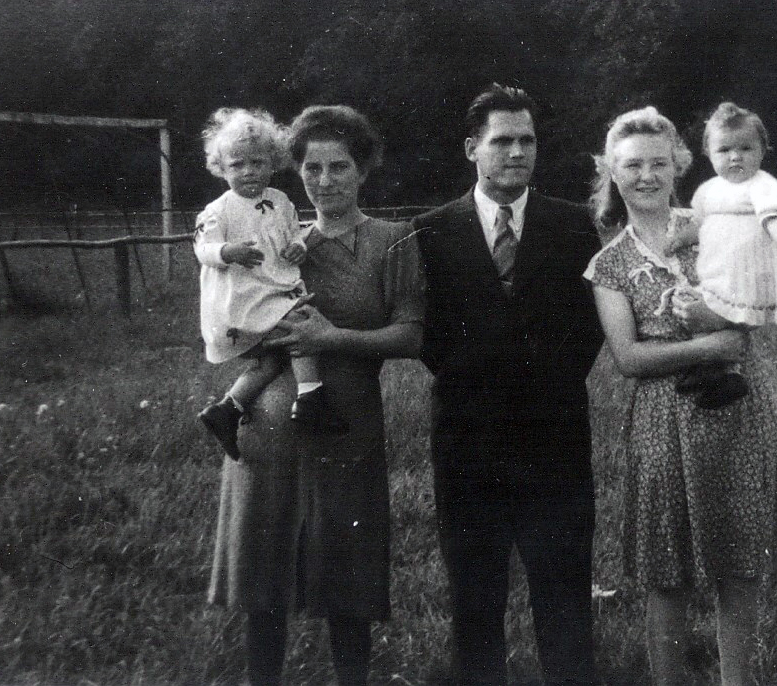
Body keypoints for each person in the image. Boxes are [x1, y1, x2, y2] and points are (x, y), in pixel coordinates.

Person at [207, 104, 424, 686]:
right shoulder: (279, 243)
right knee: (263, 584)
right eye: (312, 168)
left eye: (339, 167)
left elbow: (411, 333)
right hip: (265, 430)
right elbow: (237, 318)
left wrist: (334, 337)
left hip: (346, 425)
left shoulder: (391, 240)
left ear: (363, 169)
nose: (324, 181)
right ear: (295, 172)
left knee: (346, 580)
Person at [584, 106, 777, 685]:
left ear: (681, 162)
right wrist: (712, 345)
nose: (647, 176)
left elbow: (762, 297)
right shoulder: (610, 264)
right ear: (612, 171)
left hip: (738, 410)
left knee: (740, 561)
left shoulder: (720, 221)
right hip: (663, 421)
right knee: (666, 568)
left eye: (659, 162)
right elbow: (628, 358)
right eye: (633, 165)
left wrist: (727, 329)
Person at [413, 83, 604, 685]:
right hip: (468, 443)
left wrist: (543, 383)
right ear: (473, 148)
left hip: (555, 439)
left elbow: (589, 329)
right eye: (503, 141)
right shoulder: (430, 231)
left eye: (527, 140)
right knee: (474, 598)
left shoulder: (575, 226)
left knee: (564, 594)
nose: (517, 152)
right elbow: (428, 333)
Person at [194, 107, 347, 461]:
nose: (248, 172)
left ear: (273, 163)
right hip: (242, 302)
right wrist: (227, 251)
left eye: (257, 163)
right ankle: (311, 398)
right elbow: (202, 247)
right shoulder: (219, 210)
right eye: (237, 165)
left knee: (272, 361)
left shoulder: (280, 201)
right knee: (302, 323)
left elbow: (292, 234)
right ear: (221, 167)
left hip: (271, 292)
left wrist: (296, 246)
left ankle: (227, 409)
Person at [674, 101, 777, 409]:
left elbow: (775, 217)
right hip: (719, 270)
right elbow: (699, 223)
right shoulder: (708, 190)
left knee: (716, 316)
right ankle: (717, 372)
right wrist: (678, 239)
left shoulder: (763, 185)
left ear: (762, 150)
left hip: (748, 273)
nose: (735, 156)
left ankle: (721, 370)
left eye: (745, 148)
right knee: (698, 310)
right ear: (708, 153)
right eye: (724, 150)